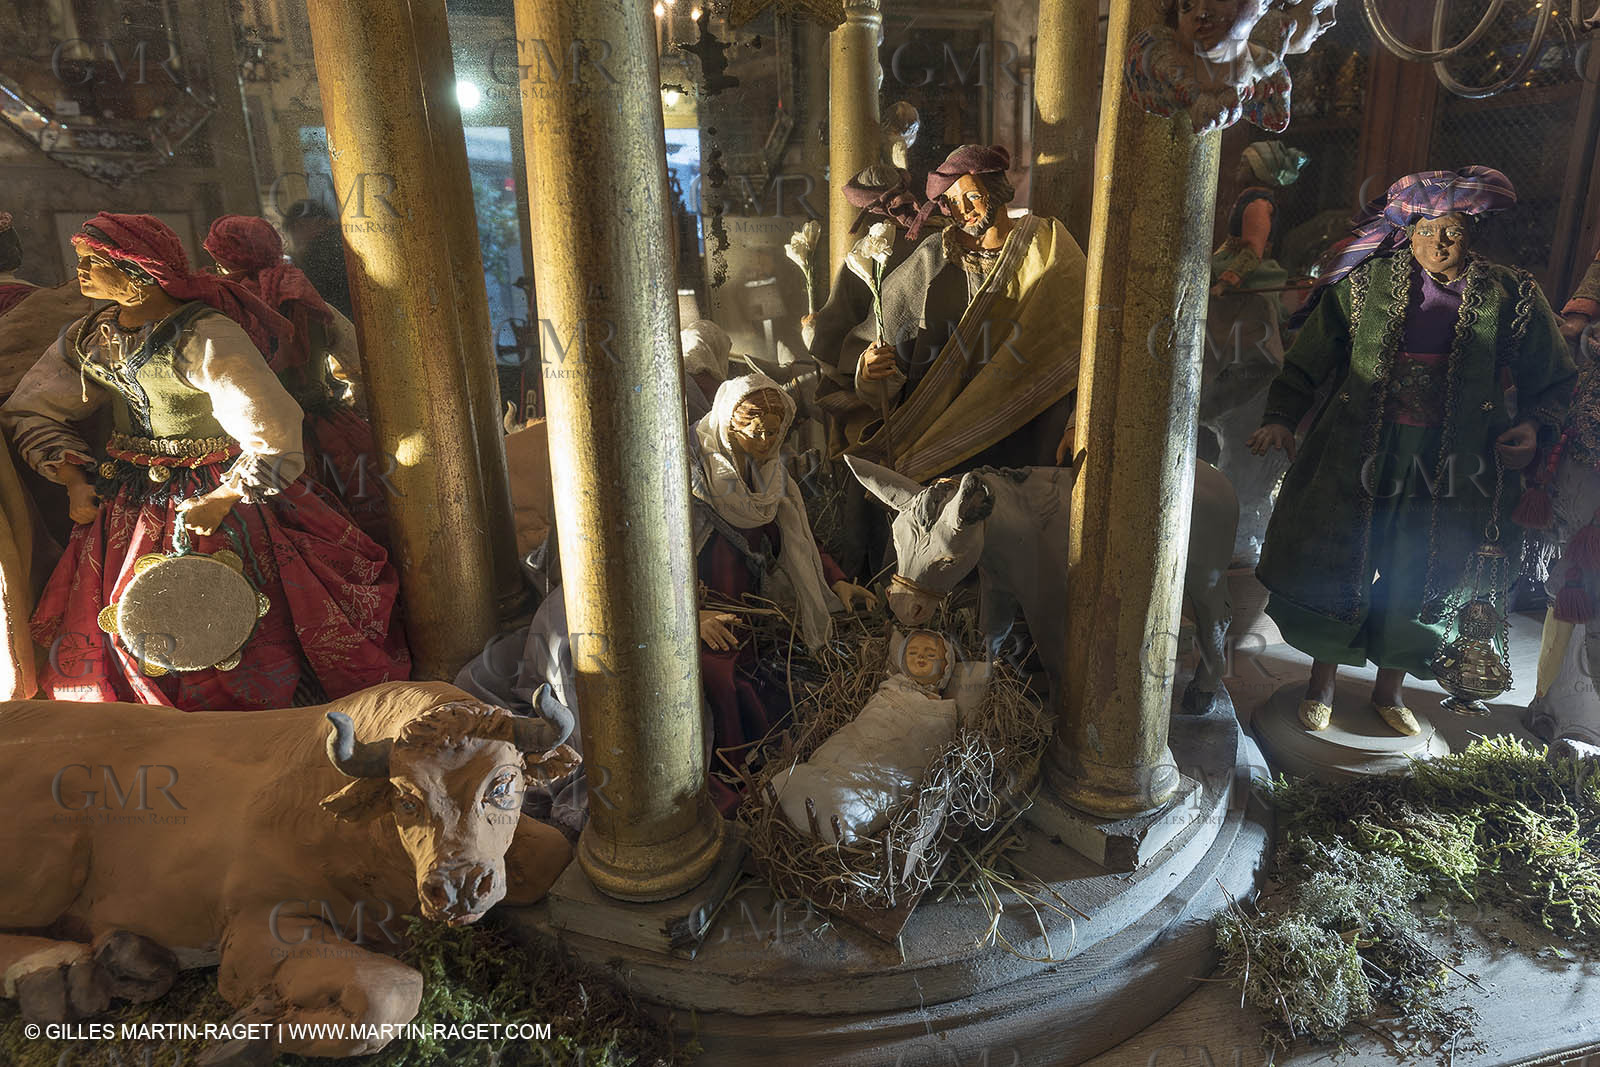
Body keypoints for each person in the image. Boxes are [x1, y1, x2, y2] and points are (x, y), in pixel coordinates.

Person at [0, 212, 409, 710]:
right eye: (83, 261)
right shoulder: (90, 335)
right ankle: (152, 710)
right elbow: (32, 406)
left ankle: (258, 710)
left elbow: (273, 429)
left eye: (94, 261)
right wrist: (72, 477)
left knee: (238, 602)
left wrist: (223, 496)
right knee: (133, 611)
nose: (80, 272)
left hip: (225, 488)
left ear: (136, 269)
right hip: (129, 497)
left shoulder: (204, 333)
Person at [1248, 168, 1574, 736]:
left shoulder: (1511, 294)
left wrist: (1530, 427)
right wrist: (1280, 416)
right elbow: (1308, 360)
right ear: (1408, 229)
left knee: (1423, 568)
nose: (1438, 242)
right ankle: (1321, 680)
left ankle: (1390, 687)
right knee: (1340, 556)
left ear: (1472, 231)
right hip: (1357, 447)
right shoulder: (1365, 284)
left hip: (1456, 461)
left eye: (1451, 230)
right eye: (1426, 229)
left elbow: (1552, 379)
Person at [844, 145, 1088, 483]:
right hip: (946, 435)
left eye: (972, 196)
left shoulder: (1047, 246)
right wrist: (870, 374)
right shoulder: (934, 257)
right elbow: (887, 346)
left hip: (1031, 425)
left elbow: (1081, 345)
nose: (964, 211)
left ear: (997, 189)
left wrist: (1079, 421)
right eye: (953, 202)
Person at [693, 373, 876, 810]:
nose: (763, 436)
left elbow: (800, 541)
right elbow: (662, 559)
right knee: (723, 677)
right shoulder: (695, 480)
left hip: (751, 609)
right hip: (699, 611)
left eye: (773, 430)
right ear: (726, 420)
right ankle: (727, 774)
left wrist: (836, 580)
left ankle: (763, 764)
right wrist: (692, 616)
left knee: (765, 679)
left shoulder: (772, 479)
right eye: (752, 423)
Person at [203, 214, 388, 548]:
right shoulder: (309, 302)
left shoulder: (217, 316)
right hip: (327, 427)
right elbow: (361, 365)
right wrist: (351, 410)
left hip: (256, 443)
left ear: (223, 259)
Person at [1202, 140, 1308, 566]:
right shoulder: (1250, 198)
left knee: (1244, 352)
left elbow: (1252, 249)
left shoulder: (1258, 202)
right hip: (1234, 298)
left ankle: (1238, 536)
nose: (1239, 168)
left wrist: (1228, 279)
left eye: (1246, 162)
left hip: (1245, 293)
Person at [281, 199, 353, 319]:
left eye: (292, 231)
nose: (294, 240)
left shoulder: (319, 251)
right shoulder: (345, 236)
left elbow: (316, 299)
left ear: (298, 225)